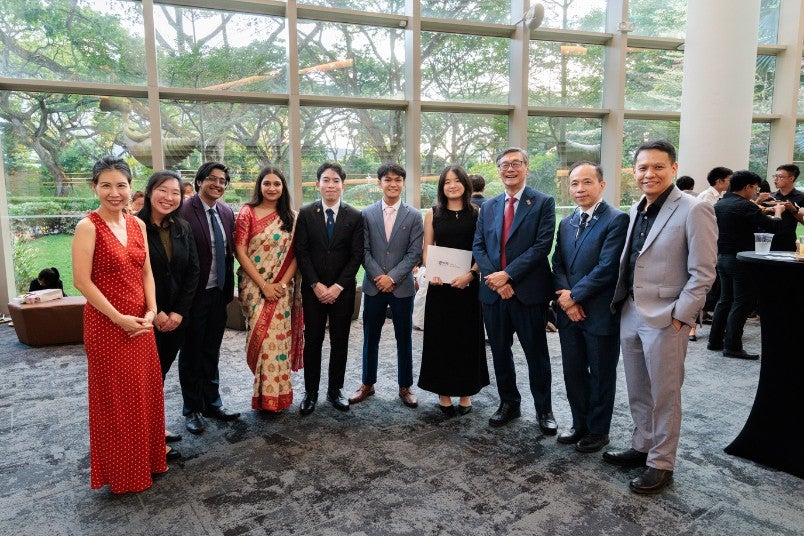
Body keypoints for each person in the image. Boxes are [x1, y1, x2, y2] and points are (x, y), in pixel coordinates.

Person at [606, 140, 717, 495]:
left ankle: (662, 463)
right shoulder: (638, 206)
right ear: (634, 172)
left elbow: (703, 272)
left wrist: (681, 318)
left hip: (667, 317)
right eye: (642, 168)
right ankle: (643, 445)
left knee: (665, 394)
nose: (648, 174)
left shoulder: (694, 209)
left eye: (657, 167)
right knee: (638, 388)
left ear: (673, 168)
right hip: (630, 311)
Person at [72, 156, 168, 494]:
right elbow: (82, 282)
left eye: (121, 185)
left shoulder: (137, 225)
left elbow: (146, 273)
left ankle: (149, 461)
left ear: (131, 188)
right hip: (107, 326)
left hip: (140, 324)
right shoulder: (88, 226)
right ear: (94, 187)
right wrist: (119, 318)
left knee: (144, 394)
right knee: (116, 402)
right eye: (106, 185)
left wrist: (152, 309)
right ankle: (125, 474)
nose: (115, 192)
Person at [472, 147, 558, 434]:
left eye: (516, 163)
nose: (510, 169)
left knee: (536, 353)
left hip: (528, 293)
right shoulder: (489, 206)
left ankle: (544, 409)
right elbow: (479, 246)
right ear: (498, 170)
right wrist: (495, 279)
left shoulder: (543, 202)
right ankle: (509, 402)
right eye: (504, 164)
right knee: (499, 351)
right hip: (493, 295)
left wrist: (508, 276)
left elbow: (541, 246)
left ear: (526, 167)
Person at [551, 162, 628, 453]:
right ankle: (579, 423)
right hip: (569, 312)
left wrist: (575, 297)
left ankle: (598, 431)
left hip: (598, 311)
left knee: (601, 372)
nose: (579, 189)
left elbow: (608, 267)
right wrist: (565, 299)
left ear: (602, 185)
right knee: (573, 371)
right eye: (574, 184)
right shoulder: (566, 222)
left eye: (586, 183)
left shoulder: (616, 220)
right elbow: (557, 263)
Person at [349, 162, 424, 409]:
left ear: (403, 183)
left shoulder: (414, 215)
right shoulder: (366, 214)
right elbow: (363, 250)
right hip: (373, 287)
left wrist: (391, 278)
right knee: (371, 336)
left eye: (398, 180)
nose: (393, 184)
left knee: (405, 337)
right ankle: (367, 384)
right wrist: (379, 277)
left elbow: (414, 253)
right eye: (387, 179)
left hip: (402, 289)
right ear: (379, 183)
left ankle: (405, 386)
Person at [418, 165, 489, 415]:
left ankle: (466, 393)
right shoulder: (433, 213)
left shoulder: (478, 213)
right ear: (442, 186)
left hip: (468, 286)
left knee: (466, 339)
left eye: (457, 181)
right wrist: (431, 270)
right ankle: (444, 393)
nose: (452, 185)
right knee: (441, 339)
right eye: (447, 181)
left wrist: (471, 274)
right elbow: (427, 249)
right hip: (440, 287)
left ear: (465, 185)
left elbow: (483, 249)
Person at [136, 171, 200, 443]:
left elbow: (193, 271)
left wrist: (178, 313)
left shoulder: (182, 227)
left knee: (159, 375)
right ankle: (144, 435)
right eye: (163, 190)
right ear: (150, 192)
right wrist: (157, 312)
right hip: (144, 317)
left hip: (176, 318)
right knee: (144, 379)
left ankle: (154, 430)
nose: (169, 197)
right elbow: (135, 274)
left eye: (176, 192)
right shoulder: (133, 226)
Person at [294, 162, 363, 415]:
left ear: (342, 185)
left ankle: (335, 390)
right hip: (313, 291)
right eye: (326, 180)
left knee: (340, 341)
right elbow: (301, 251)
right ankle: (310, 393)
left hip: (342, 292)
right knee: (313, 341)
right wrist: (315, 284)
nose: (331, 185)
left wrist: (337, 287)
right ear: (317, 184)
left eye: (336, 181)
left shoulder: (355, 216)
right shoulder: (306, 213)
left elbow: (356, 256)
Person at [234, 166, 304, 412]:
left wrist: (281, 285)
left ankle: (278, 397)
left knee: (279, 342)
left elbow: (296, 255)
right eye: (267, 183)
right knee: (263, 340)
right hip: (255, 287)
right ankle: (264, 396)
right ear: (259, 186)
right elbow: (240, 251)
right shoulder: (247, 213)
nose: (272, 188)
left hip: (282, 290)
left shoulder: (292, 217)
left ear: (283, 187)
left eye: (277, 184)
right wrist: (264, 285)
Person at [179, 162, 240, 434]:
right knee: (191, 352)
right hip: (193, 297)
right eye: (212, 179)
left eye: (223, 181)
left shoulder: (226, 212)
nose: (218, 184)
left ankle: (212, 403)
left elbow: (229, 254)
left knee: (211, 351)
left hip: (219, 293)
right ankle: (192, 408)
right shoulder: (183, 210)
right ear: (200, 181)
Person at [707, 170, 784, 359]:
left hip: (722, 257)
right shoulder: (745, 206)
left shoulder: (721, 203)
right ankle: (733, 346)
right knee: (741, 302)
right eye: (755, 188)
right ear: (748, 186)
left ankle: (715, 341)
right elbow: (773, 227)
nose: (756, 192)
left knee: (725, 300)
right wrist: (779, 212)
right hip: (741, 259)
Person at [695, 167, 733, 337]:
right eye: (729, 179)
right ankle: (694, 323)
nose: (731, 183)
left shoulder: (718, 197)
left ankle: (701, 316)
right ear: (719, 181)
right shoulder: (706, 197)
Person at [768, 164, 804, 251]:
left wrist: (793, 209)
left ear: (791, 178)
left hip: (787, 241)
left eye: (780, 177)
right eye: (775, 176)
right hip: (767, 239)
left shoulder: (801, 197)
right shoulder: (770, 197)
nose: (775, 179)